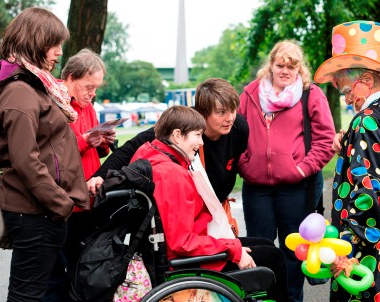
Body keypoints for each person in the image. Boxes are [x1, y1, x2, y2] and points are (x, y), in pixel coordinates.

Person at [0, 7, 89, 301]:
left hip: (40, 211)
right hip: (35, 213)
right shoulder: (20, 92)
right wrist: (60, 203)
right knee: (27, 296)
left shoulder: (32, 86)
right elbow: (26, 160)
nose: (58, 53)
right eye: (54, 45)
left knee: (38, 293)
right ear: (35, 41)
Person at [130, 105, 288, 301]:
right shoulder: (170, 174)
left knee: (263, 244)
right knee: (273, 258)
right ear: (178, 135)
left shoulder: (150, 154)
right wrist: (233, 250)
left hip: (177, 250)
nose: (201, 142)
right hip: (183, 263)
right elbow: (181, 243)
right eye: (197, 135)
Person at [314, 20, 380, 301]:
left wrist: (348, 248)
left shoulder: (367, 121)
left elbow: (369, 193)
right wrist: (349, 144)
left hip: (368, 254)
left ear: (367, 81)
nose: (347, 100)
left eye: (347, 91)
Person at [237, 40, 335, 302]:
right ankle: (263, 299)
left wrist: (302, 169)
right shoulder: (249, 94)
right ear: (271, 65)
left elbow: (325, 141)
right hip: (256, 188)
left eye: (291, 67)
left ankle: (292, 299)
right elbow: (234, 133)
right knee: (259, 250)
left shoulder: (310, 94)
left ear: (299, 69)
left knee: (293, 252)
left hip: (295, 188)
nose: (285, 71)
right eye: (280, 65)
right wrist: (245, 165)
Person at [87, 78, 248, 235]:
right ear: (202, 112)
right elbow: (130, 149)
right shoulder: (183, 124)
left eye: (233, 110)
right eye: (221, 112)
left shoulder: (239, 128)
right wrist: (100, 176)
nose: (230, 118)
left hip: (215, 212)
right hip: (185, 219)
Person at [43, 48, 116, 301]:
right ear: (71, 78)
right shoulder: (54, 102)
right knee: (54, 277)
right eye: (89, 87)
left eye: (96, 87)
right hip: (63, 203)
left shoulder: (88, 106)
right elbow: (53, 152)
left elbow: (93, 151)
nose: (93, 93)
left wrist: (104, 141)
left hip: (87, 202)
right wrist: (86, 140)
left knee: (81, 270)